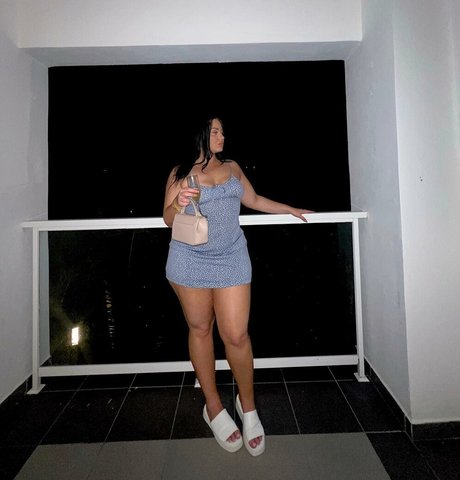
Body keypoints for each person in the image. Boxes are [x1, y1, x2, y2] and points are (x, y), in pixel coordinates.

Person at [163, 115, 312, 456]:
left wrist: (289, 209)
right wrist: (178, 203)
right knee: (200, 328)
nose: (222, 136)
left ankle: (249, 408)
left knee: (236, 335)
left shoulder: (232, 167)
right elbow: (168, 218)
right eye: (215, 131)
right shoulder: (180, 172)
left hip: (231, 257)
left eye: (223, 131)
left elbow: (254, 200)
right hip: (189, 258)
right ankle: (213, 406)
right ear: (201, 133)